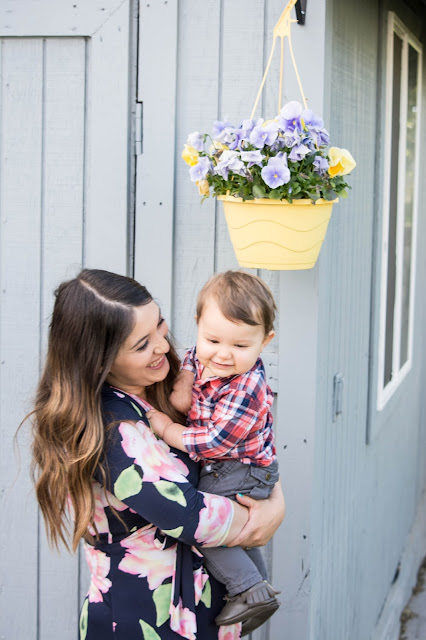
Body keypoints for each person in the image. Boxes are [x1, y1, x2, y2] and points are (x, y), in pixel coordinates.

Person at [28, 269, 285, 640]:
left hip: (196, 612)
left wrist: (275, 497)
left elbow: (238, 445)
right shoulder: (111, 429)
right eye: (141, 345)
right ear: (99, 360)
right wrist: (267, 514)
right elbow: (187, 515)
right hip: (145, 620)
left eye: (159, 326)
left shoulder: (173, 382)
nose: (163, 347)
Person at [147, 271, 280, 632]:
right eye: (213, 339)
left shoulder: (246, 386)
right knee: (240, 537)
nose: (222, 354)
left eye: (240, 346)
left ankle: (248, 589)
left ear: (265, 341)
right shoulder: (201, 355)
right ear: (198, 325)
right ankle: (260, 590)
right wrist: (185, 383)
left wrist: (167, 428)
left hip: (240, 468)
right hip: (233, 466)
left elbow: (215, 442)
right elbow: (192, 359)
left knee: (209, 528)